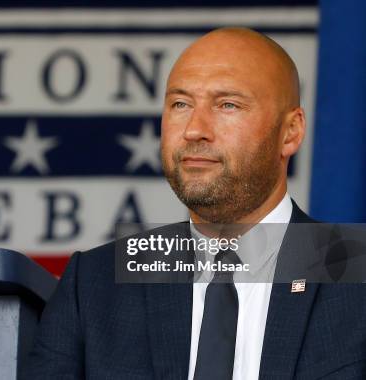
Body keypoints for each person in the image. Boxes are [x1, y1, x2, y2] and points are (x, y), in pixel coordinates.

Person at [20, 28, 366, 379]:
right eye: (180, 104)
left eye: (227, 104)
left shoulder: (355, 264)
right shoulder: (95, 282)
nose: (194, 129)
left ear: (290, 131)